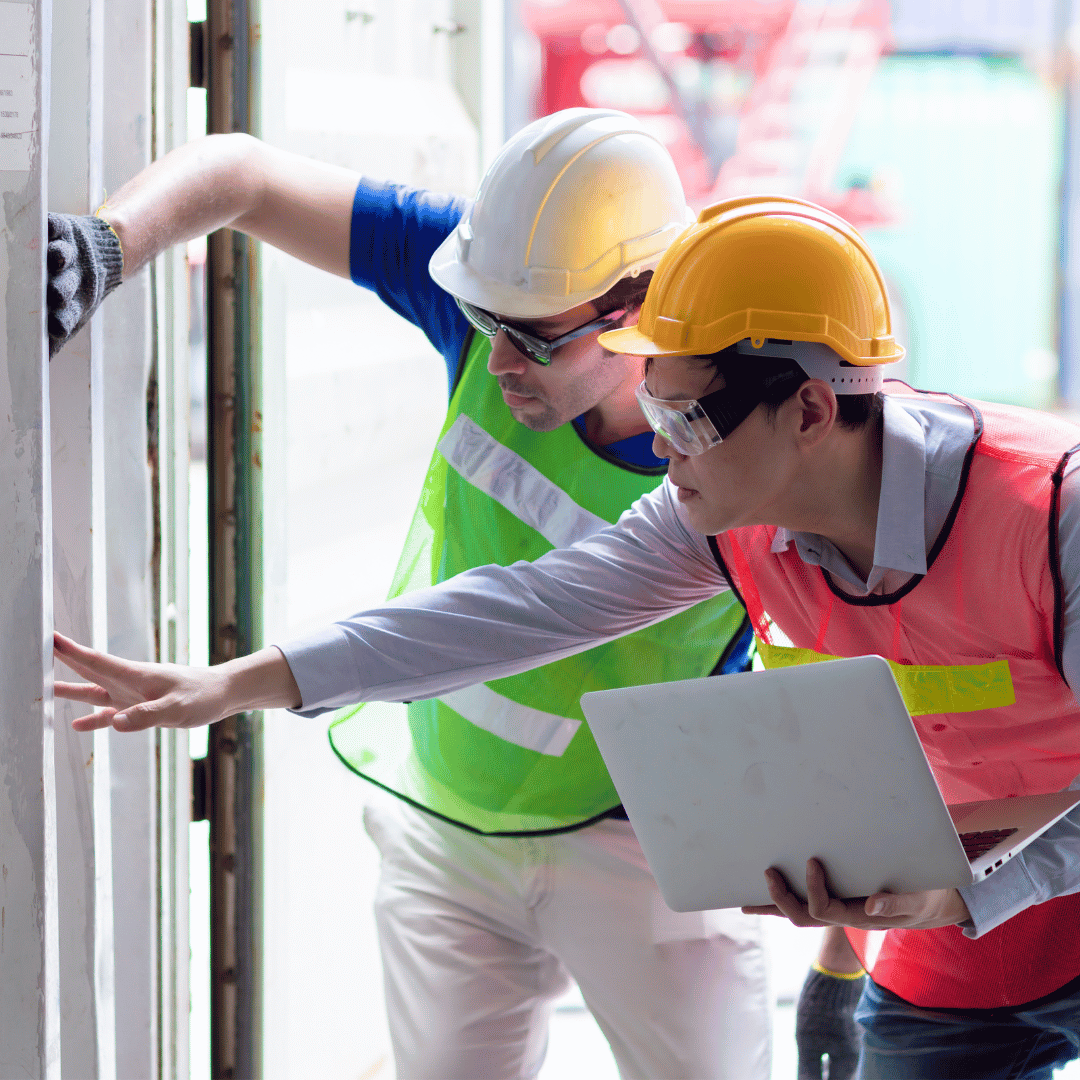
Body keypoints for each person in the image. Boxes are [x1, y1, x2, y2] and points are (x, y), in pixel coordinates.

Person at [56, 191, 1080, 1078]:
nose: (659, 448)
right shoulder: (724, 522)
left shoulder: (1054, 516)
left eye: (687, 422)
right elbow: (521, 609)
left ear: (811, 409)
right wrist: (237, 683)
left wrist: (975, 890)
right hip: (964, 936)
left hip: (996, 889)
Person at [47, 109, 774, 1079]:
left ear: (634, 307)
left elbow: (531, 612)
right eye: (482, 323)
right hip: (447, 830)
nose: (498, 358)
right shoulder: (499, 291)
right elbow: (241, 174)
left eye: (531, 338)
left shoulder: (740, 457)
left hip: (645, 844)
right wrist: (103, 248)